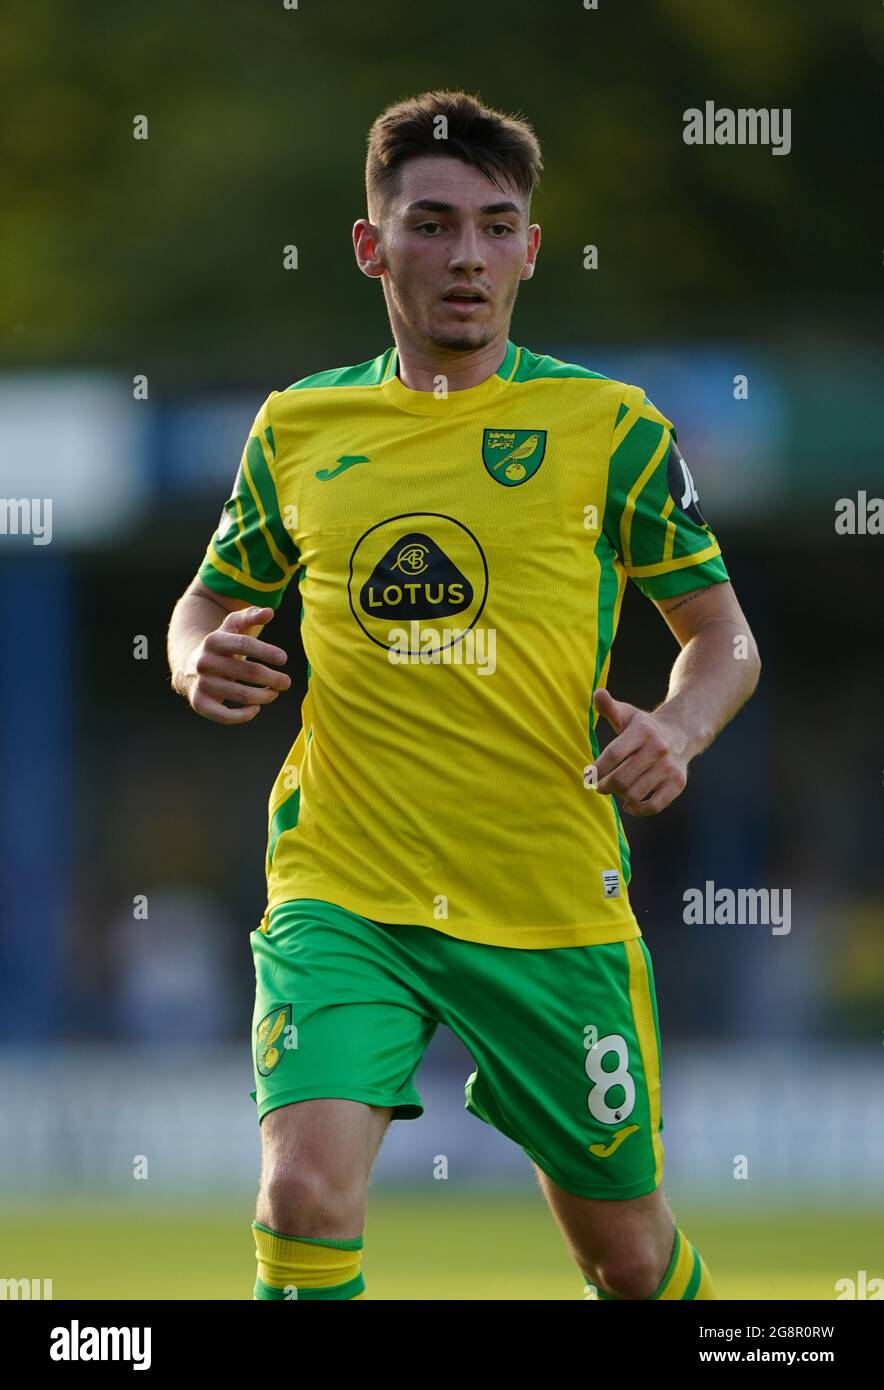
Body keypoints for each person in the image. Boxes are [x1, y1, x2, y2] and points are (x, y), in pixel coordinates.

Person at [167, 89, 761, 1301]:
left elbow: (722, 639)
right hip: (345, 885)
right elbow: (197, 604)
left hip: (548, 900)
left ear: (530, 250)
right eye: (430, 225)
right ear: (369, 244)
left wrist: (678, 728)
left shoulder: (610, 428)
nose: (466, 258)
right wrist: (192, 656)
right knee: (299, 1195)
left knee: (631, 1261)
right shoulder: (297, 428)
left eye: (496, 227)